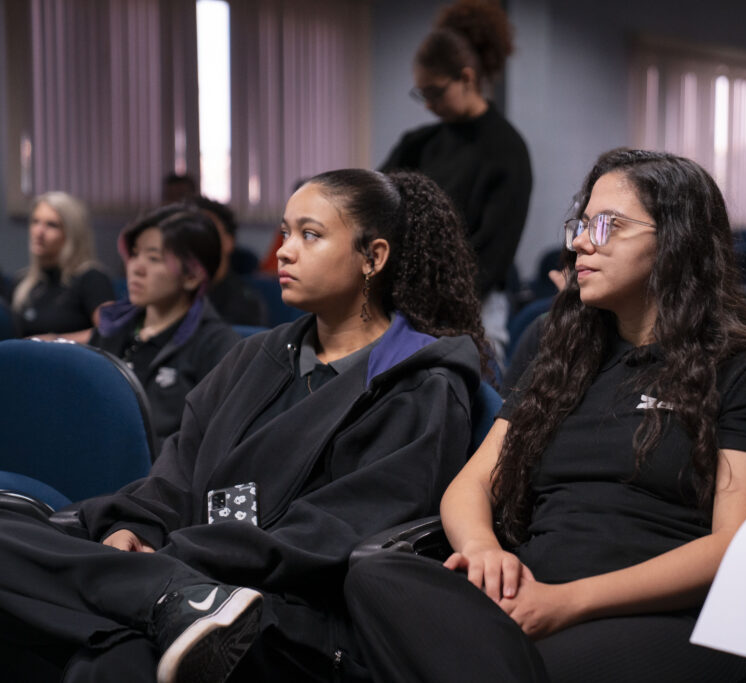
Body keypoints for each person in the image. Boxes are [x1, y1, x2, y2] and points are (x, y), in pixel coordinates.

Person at [344, 149, 746, 683]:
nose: (580, 242)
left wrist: (567, 602)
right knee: (375, 573)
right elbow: (472, 485)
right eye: (581, 224)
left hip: (657, 616)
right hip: (528, 596)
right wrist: (484, 551)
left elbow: (736, 547)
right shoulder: (564, 359)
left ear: (676, 241)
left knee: (492, 664)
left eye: (608, 225)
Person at [0, 168, 489, 683]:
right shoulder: (255, 353)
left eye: (311, 235)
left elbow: (334, 533)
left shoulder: (419, 384)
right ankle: (160, 596)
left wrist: (172, 558)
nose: (283, 250)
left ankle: (157, 594)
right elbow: (177, 470)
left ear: (374, 257)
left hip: (291, 611)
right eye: (285, 231)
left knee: (111, 661)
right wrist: (134, 527)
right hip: (181, 579)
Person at [380, 0, 532, 359]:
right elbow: (372, 204)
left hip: (472, 306)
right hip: (405, 298)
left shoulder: (507, 151)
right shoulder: (417, 144)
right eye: (422, 94)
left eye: (435, 92)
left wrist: (431, 306)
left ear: (466, 78)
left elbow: (493, 256)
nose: (428, 105)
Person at [89, 206, 240, 449]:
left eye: (153, 258)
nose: (136, 268)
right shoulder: (112, 329)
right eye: (135, 254)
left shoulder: (218, 347)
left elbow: (207, 448)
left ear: (192, 276)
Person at [11, 191, 115, 341]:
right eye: (35, 221)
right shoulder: (23, 282)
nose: (39, 232)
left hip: (70, 362)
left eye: (51, 225)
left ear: (71, 233)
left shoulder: (91, 278)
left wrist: (55, 341)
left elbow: (111, 332)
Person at [191, 196, 268, 327]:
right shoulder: (170, 296)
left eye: (206, 232)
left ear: (229, 241)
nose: (196, 242)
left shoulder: (245, 306)